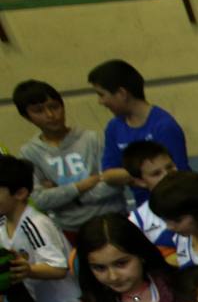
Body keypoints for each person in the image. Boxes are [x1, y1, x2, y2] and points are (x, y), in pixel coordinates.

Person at [11, 79, 126, 236]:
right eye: (39, 111)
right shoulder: (29, 153)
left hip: (112, 221)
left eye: (54, 107)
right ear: (27, 117)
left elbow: (113, 185)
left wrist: (63, 196)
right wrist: (81, 186)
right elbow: (40, 200)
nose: (50, 115)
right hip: (70, 230)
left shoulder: (93, 139)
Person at [0, 154, 82, 302]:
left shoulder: (35, 224)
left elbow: (59, 268)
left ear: (20, 193)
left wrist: (28, 270)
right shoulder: (3, 224)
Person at [88, 59, 189, 204]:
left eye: (102, 95)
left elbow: (178, 175)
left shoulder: (163, 126)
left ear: (122, 93)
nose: (100, 102)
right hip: (145, 207)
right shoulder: (114, 127)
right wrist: (147, 173)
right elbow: (109, 175)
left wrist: (130, 176)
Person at [119, 141, 178, 255]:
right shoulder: (138, 221)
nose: (168, 175)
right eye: (156, 173)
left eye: (170, 167)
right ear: (140, 181)